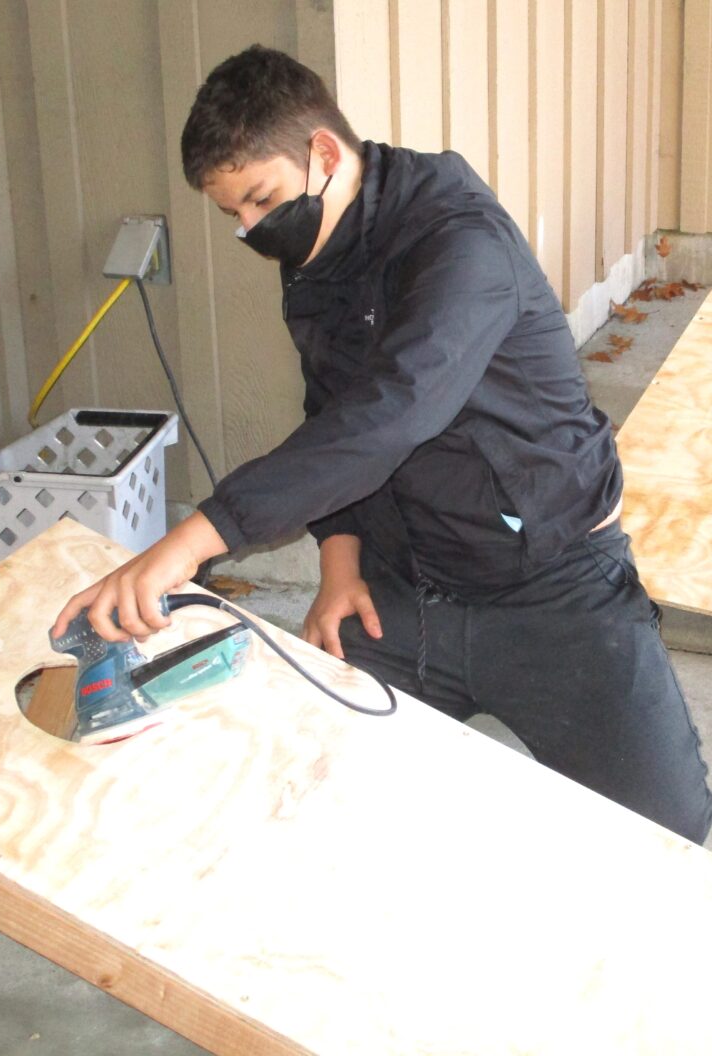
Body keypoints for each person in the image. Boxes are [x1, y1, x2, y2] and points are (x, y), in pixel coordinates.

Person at [54, 45, 712, 843]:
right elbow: (331, 403)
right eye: (234, 215)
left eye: (259, 200)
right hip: (408, 584)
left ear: (324, 153)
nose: (250, 230)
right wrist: (339, 564)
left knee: (670, 836)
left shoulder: (462, 244)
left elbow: (391, 415)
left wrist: (191, 542)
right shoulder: (317, 246)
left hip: (553, 584)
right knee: (302, 810)